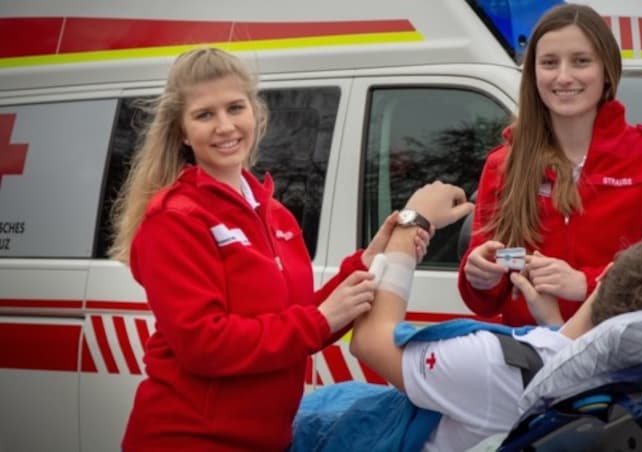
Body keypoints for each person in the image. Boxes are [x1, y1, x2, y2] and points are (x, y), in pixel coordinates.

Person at [109, 47, 429, 451]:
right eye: (204, 114)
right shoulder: (175, 218)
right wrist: (319, 320)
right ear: (182, 132)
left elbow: (296, 322)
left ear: (256, 114)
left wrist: (368, 262)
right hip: (188, 439)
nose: (225, 126)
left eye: (235, 107)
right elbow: (203, 344)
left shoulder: (274, 213)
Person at [346, 181, 642, 451]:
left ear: (605, 277)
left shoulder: (492, 364)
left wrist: (413, 220)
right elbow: (564, 359)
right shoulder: (610, 379)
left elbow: (371, 342)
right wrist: (554, 324)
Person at [458, 3, 642, 326]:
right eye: (549, 63)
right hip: (530, 363)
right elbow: (485, 297)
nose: (564, 77)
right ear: (534, 73)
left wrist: (586, 284)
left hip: (628, 363)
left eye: (580, 61)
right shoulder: (503, 164)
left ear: (606, 70)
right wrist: (480, 276)